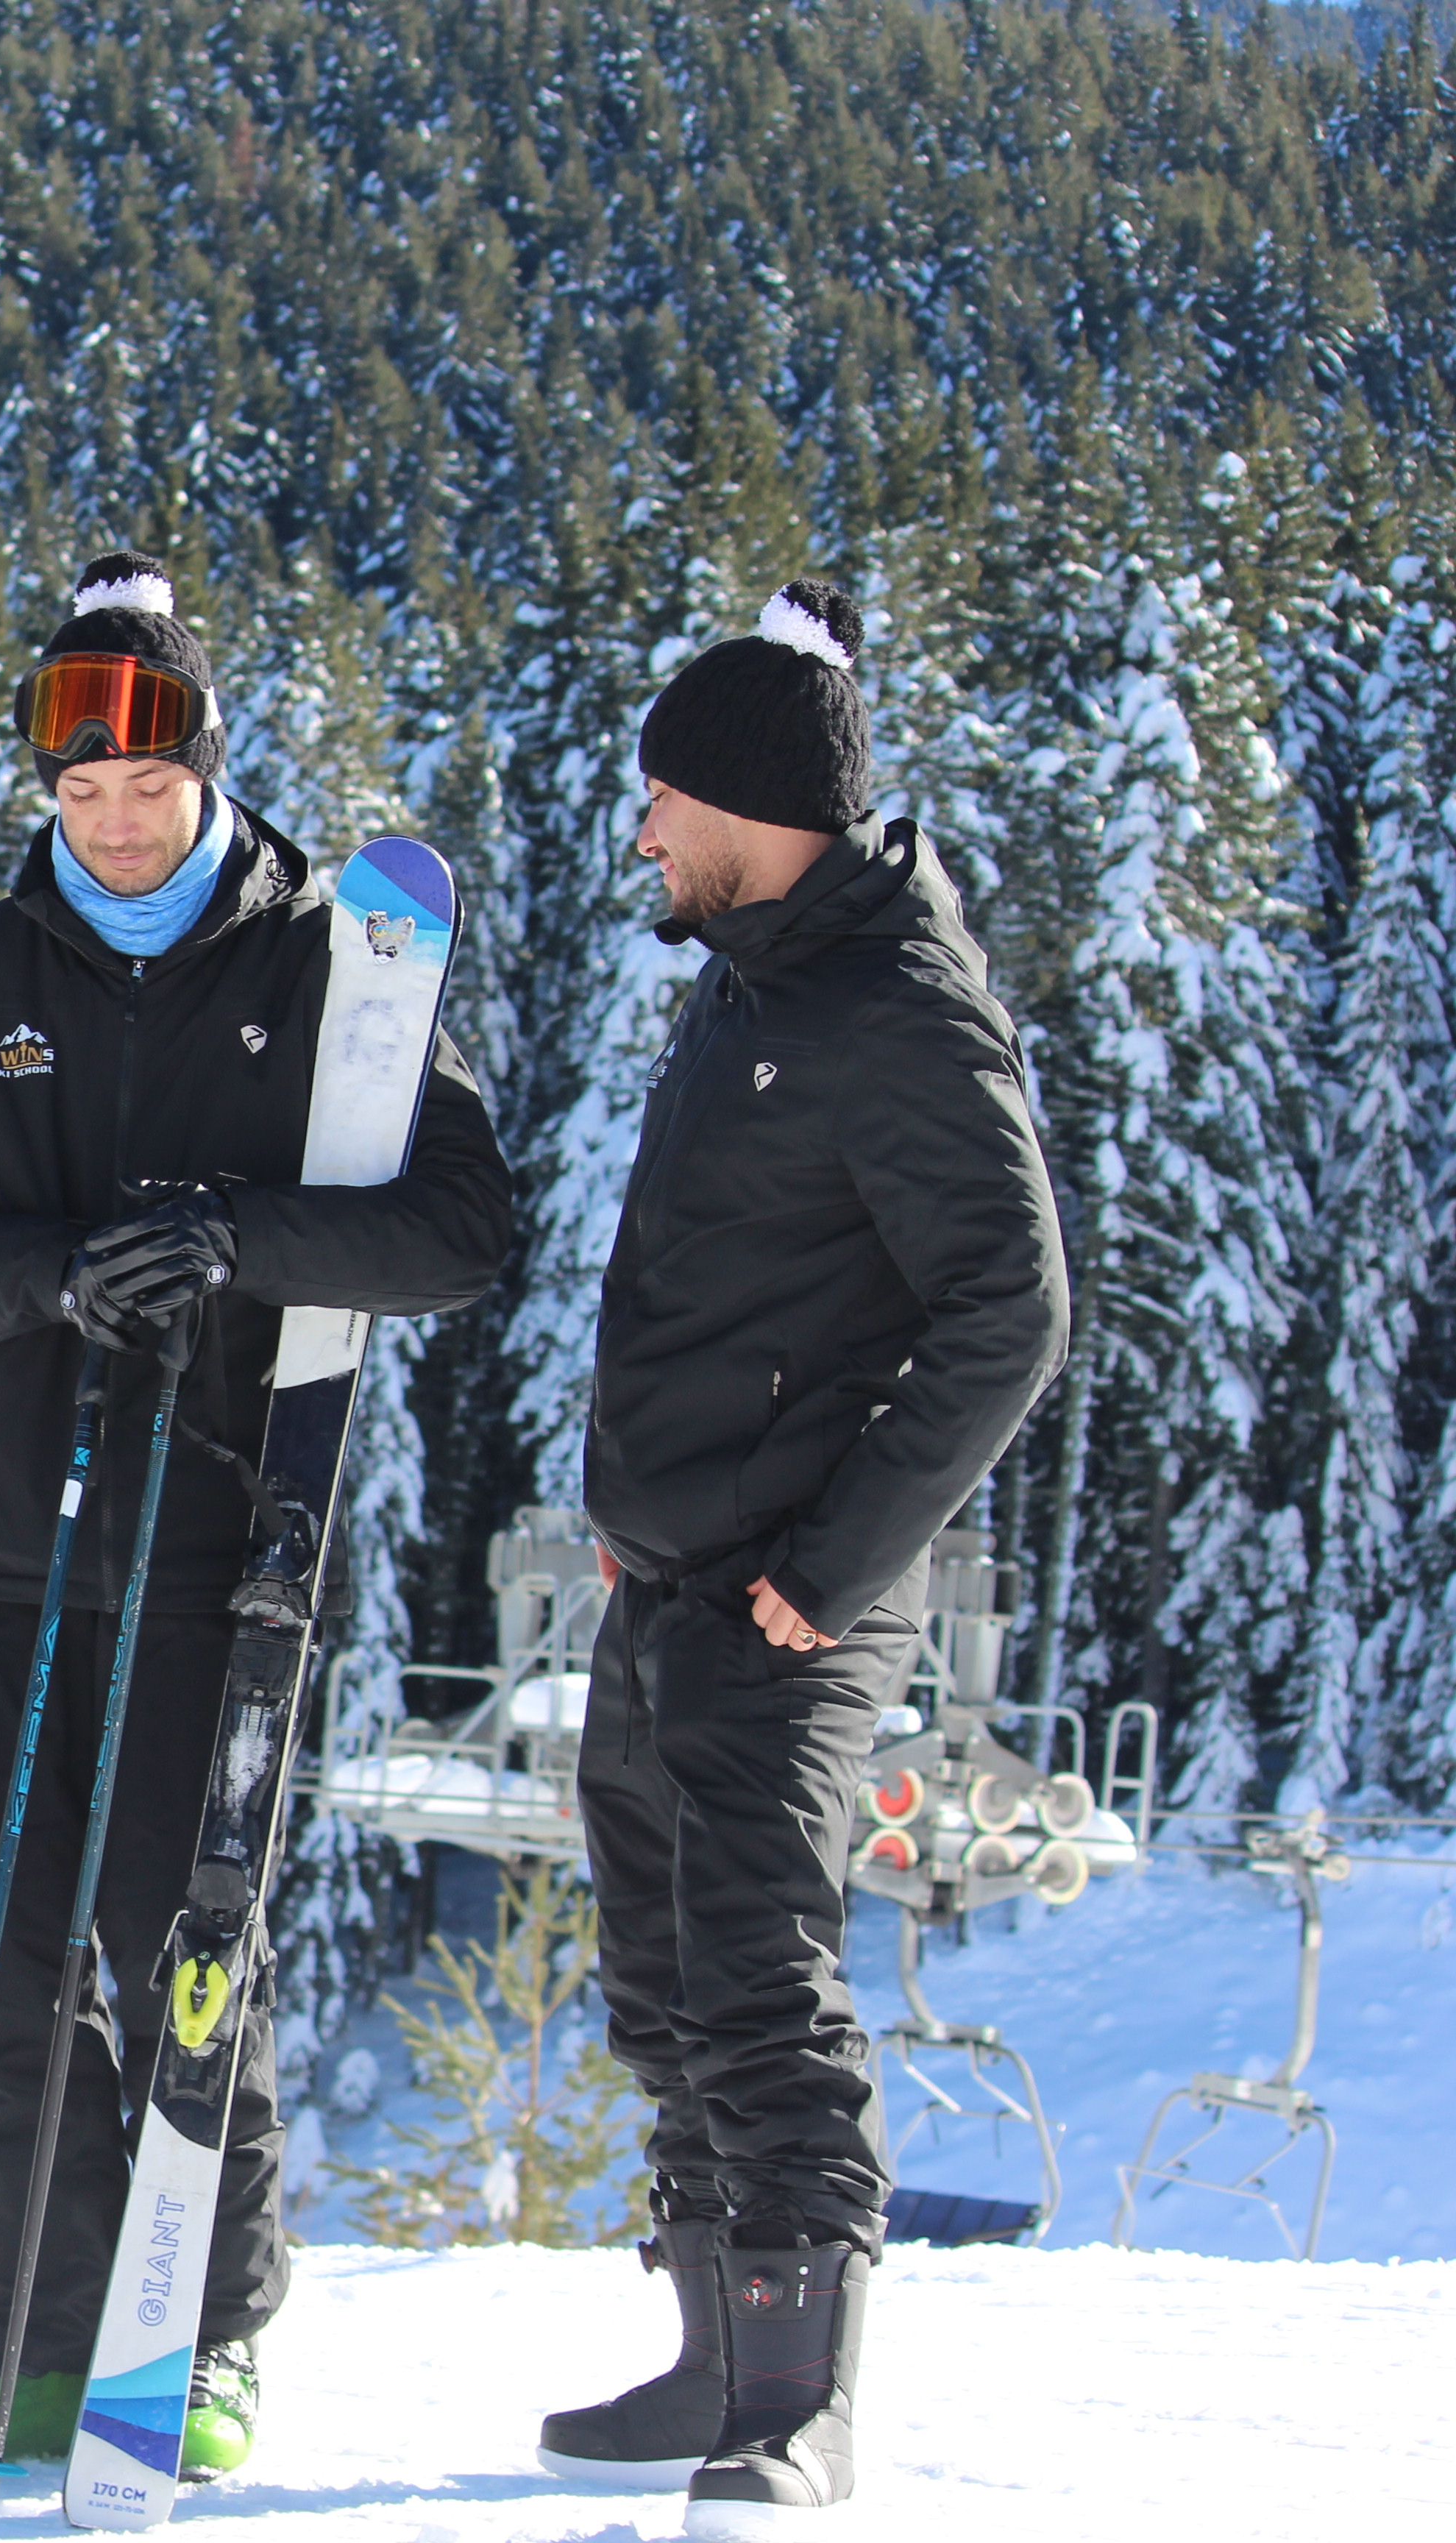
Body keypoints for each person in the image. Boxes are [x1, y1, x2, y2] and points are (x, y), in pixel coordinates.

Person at [0, 552, 514, 2480]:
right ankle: (27, 2347)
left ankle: (200, 2339)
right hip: (9, 1548)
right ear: (46, 792)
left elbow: (462, 1231)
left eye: (148, 784)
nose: (117, 821)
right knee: (12, 1961)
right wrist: (61, 1273)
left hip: (224, 1545)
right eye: (81, 792)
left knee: (189, 1949)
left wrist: (229, 1246)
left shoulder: (322, 963)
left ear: (208, 771)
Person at [546, 580, 1067, 2535]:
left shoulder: (899, 1012)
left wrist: (833, 1569)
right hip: (674, 1572)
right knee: (659, 1975)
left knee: (761, 1973)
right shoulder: (753, 970)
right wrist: (633, 1510)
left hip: (794, 1597)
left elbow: (1011, 1310)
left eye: (661, 801)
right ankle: (705, 2357)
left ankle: (800, 2400)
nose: (643, 836)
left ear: (751, 806)